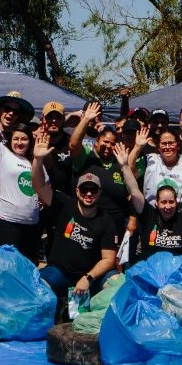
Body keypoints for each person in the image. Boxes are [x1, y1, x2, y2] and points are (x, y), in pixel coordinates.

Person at [34, 133, 120, 320]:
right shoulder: (64, 204)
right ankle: (55, 312)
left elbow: (108, 259)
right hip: (60, 272)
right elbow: (39, 186)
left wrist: (88, 278)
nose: (88, 193)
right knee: (38, 286)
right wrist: (38, 160)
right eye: (84, 189)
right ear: (77, 191)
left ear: (99, 193)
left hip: (91, 278)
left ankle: (100, 320)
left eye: (93, 190)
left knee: (117, 282)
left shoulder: (106, 220)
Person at [0, 87, 45, 260]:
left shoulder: (19, 139)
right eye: (7, 109)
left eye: (15, 111)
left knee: (7, 255)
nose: (10, 113)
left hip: (12, 206)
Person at [120, 145, 182, 260]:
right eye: (163, 202)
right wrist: (124, 166)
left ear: (176, 202)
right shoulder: (148, 215)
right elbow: (134, 190)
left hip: (176, 274)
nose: (168, 206)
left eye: (171, 202)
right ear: (156, 203)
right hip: (150, 273)